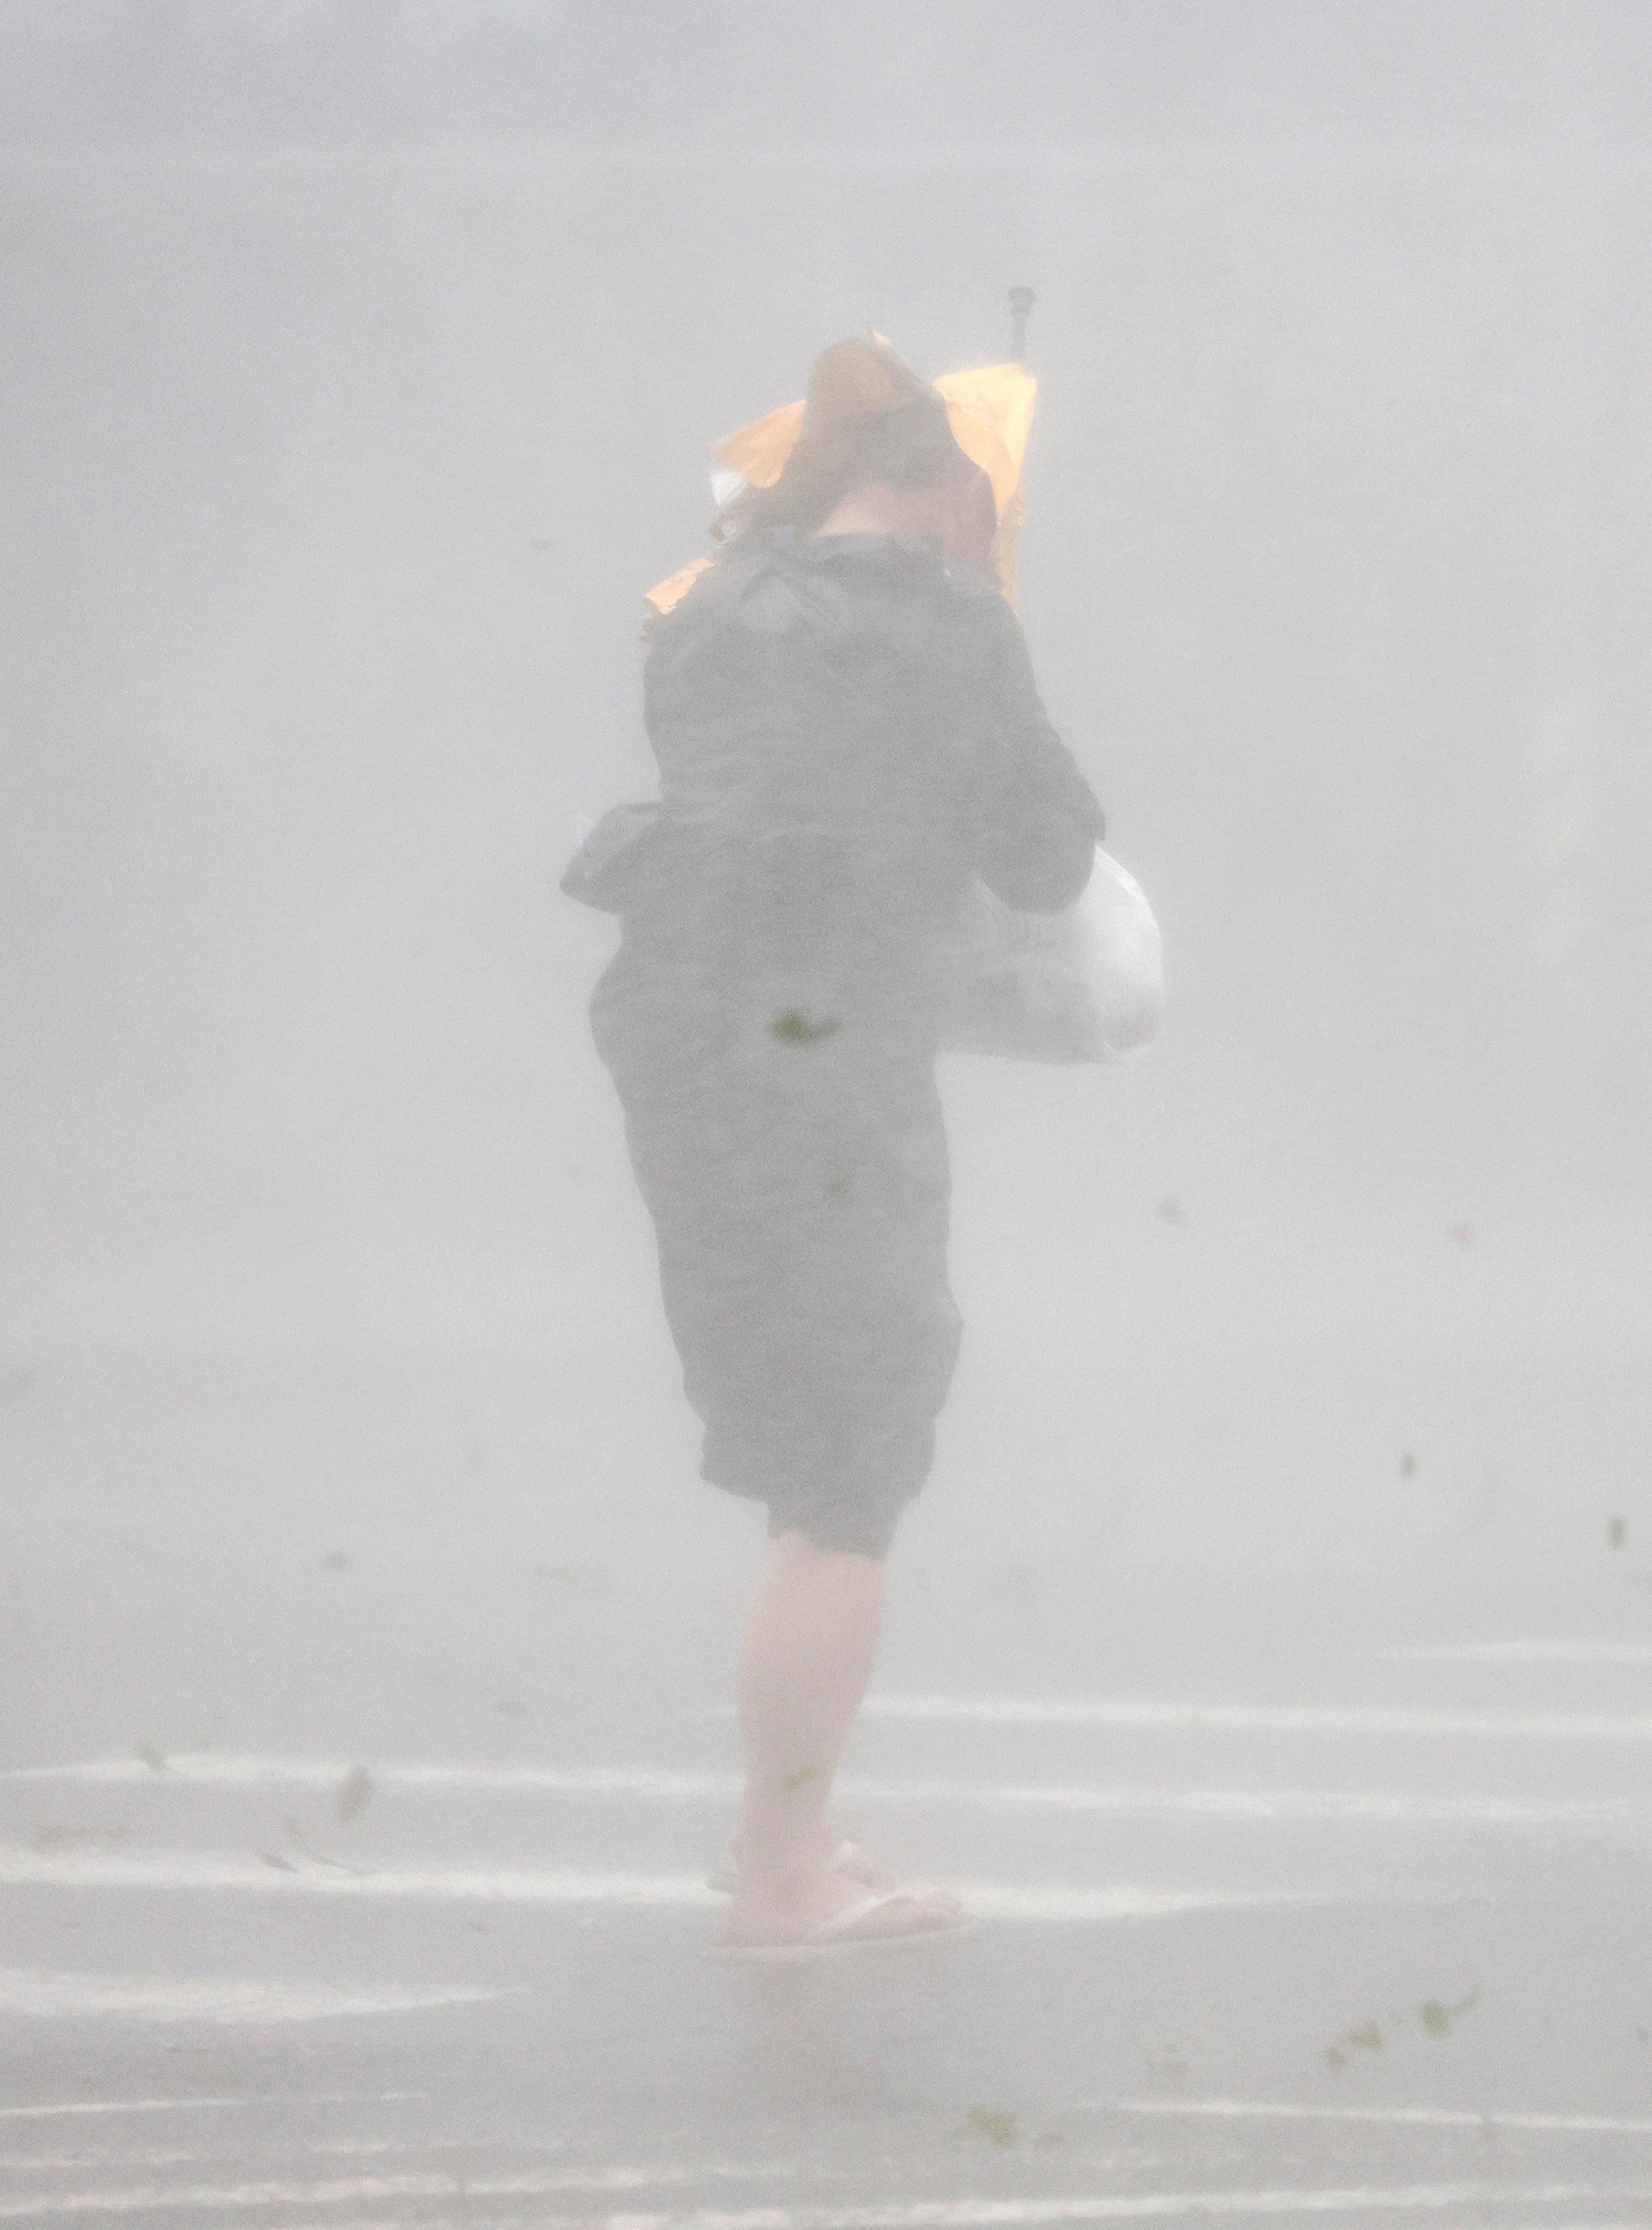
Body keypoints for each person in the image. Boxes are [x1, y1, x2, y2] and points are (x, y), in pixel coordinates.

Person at [573, 334, 1104, 1954]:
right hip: (821, 1063)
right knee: (852, 1471)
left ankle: (785, 1827)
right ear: (943, 488)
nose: (982, 531)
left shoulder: (710, 606)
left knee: (797, 1433)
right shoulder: (952, 624)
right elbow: (1048, 853)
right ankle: (782, 1877)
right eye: (983, 505)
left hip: (680, 1040)